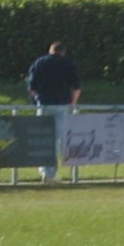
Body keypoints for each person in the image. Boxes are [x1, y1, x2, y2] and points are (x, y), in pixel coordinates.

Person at [26, 41, 81, 183]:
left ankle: (44, 171)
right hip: (62, 105)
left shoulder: (39, 63)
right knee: (56, 139)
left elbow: (32, 88)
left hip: (44, 104)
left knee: (43, 138)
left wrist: (37, 102)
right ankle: (50, 174)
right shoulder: (68, 64)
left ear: (50, 50)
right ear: (63, 52)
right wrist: (72, 104)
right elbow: (76, 88)